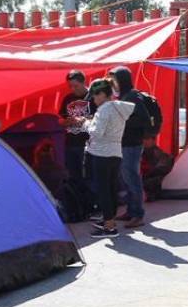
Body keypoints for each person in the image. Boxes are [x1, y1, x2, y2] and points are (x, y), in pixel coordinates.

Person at [73, 78, 134, 238]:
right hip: (115, 152)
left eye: (94, 95)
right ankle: (110, 220)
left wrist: (85, 123)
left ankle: (109, 226)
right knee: (112, 189)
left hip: (101, 154)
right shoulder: (118, 107)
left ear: (102, 94)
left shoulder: (104, 110)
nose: (93, 99)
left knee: (103, 191)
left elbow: (97, 133)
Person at [106, 66, 149, 228]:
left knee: (133, 179)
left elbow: (142, 119)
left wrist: (122, 121)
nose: (113, 83)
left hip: (132, 145)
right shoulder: (124, 95)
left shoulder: (132, 96)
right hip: (125, 143)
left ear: (122, 80)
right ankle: (131, 211)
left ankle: (138, 214)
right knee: (127, 179)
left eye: (115, 80)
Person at [60, 70, 95, 216]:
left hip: (87, 143)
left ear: (83, 82)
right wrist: (67, 121)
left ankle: (91, 206)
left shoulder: (93, 98)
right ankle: (78, 207)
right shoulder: (67, 98)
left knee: (88, 176)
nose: (73, 89)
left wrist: (85, 121)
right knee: (73, 176)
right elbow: (60, 119)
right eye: (70, 86)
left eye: (75, 86)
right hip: (71, 142)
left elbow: (101, 119)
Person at [140, 134, 174, 202]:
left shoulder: (160, 154)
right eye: (143, 139)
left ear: (153, 141)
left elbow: (162, 169)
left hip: (152, 179)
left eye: (147, 139)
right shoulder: (140, 152)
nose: (144, 141)